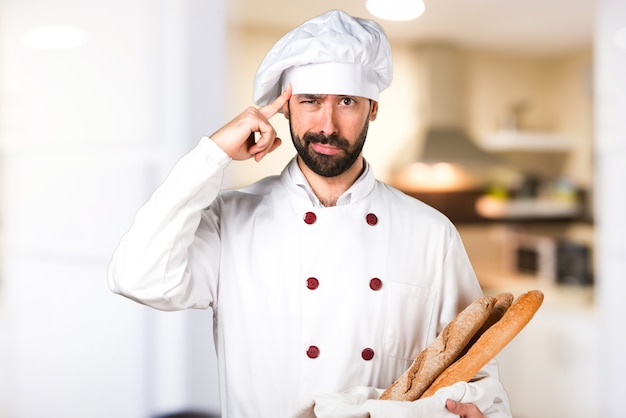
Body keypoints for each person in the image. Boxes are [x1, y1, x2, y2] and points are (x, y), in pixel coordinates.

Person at [108, 9, 512, 418]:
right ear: (285, 109)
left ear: (372, 108)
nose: (328, 125)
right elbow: (137, 277)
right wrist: (213, 154)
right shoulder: (232, 219)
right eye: (311, 100)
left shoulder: (431, 232)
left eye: (348, 102)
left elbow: (478, 373)